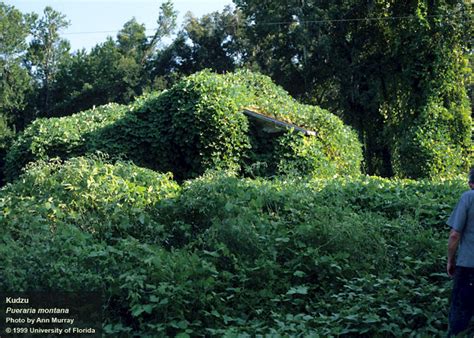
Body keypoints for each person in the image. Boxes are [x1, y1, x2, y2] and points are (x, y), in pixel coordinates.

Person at [447, 168, 474, 336]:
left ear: (471, 183)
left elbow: (455, 235)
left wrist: (451, 260)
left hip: (469, 266)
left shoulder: (468, 197)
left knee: (460, 315)